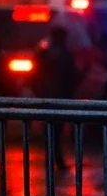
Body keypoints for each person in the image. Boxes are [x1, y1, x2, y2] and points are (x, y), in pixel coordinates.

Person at [34, 25, 83, 170]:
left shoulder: (45, 54)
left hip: (47, 97)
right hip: (58, 97)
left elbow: (36, 75)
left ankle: (52, 159)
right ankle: (56, 160)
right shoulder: (65, 55)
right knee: (56, 130)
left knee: (50, 130)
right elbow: (71, 77)